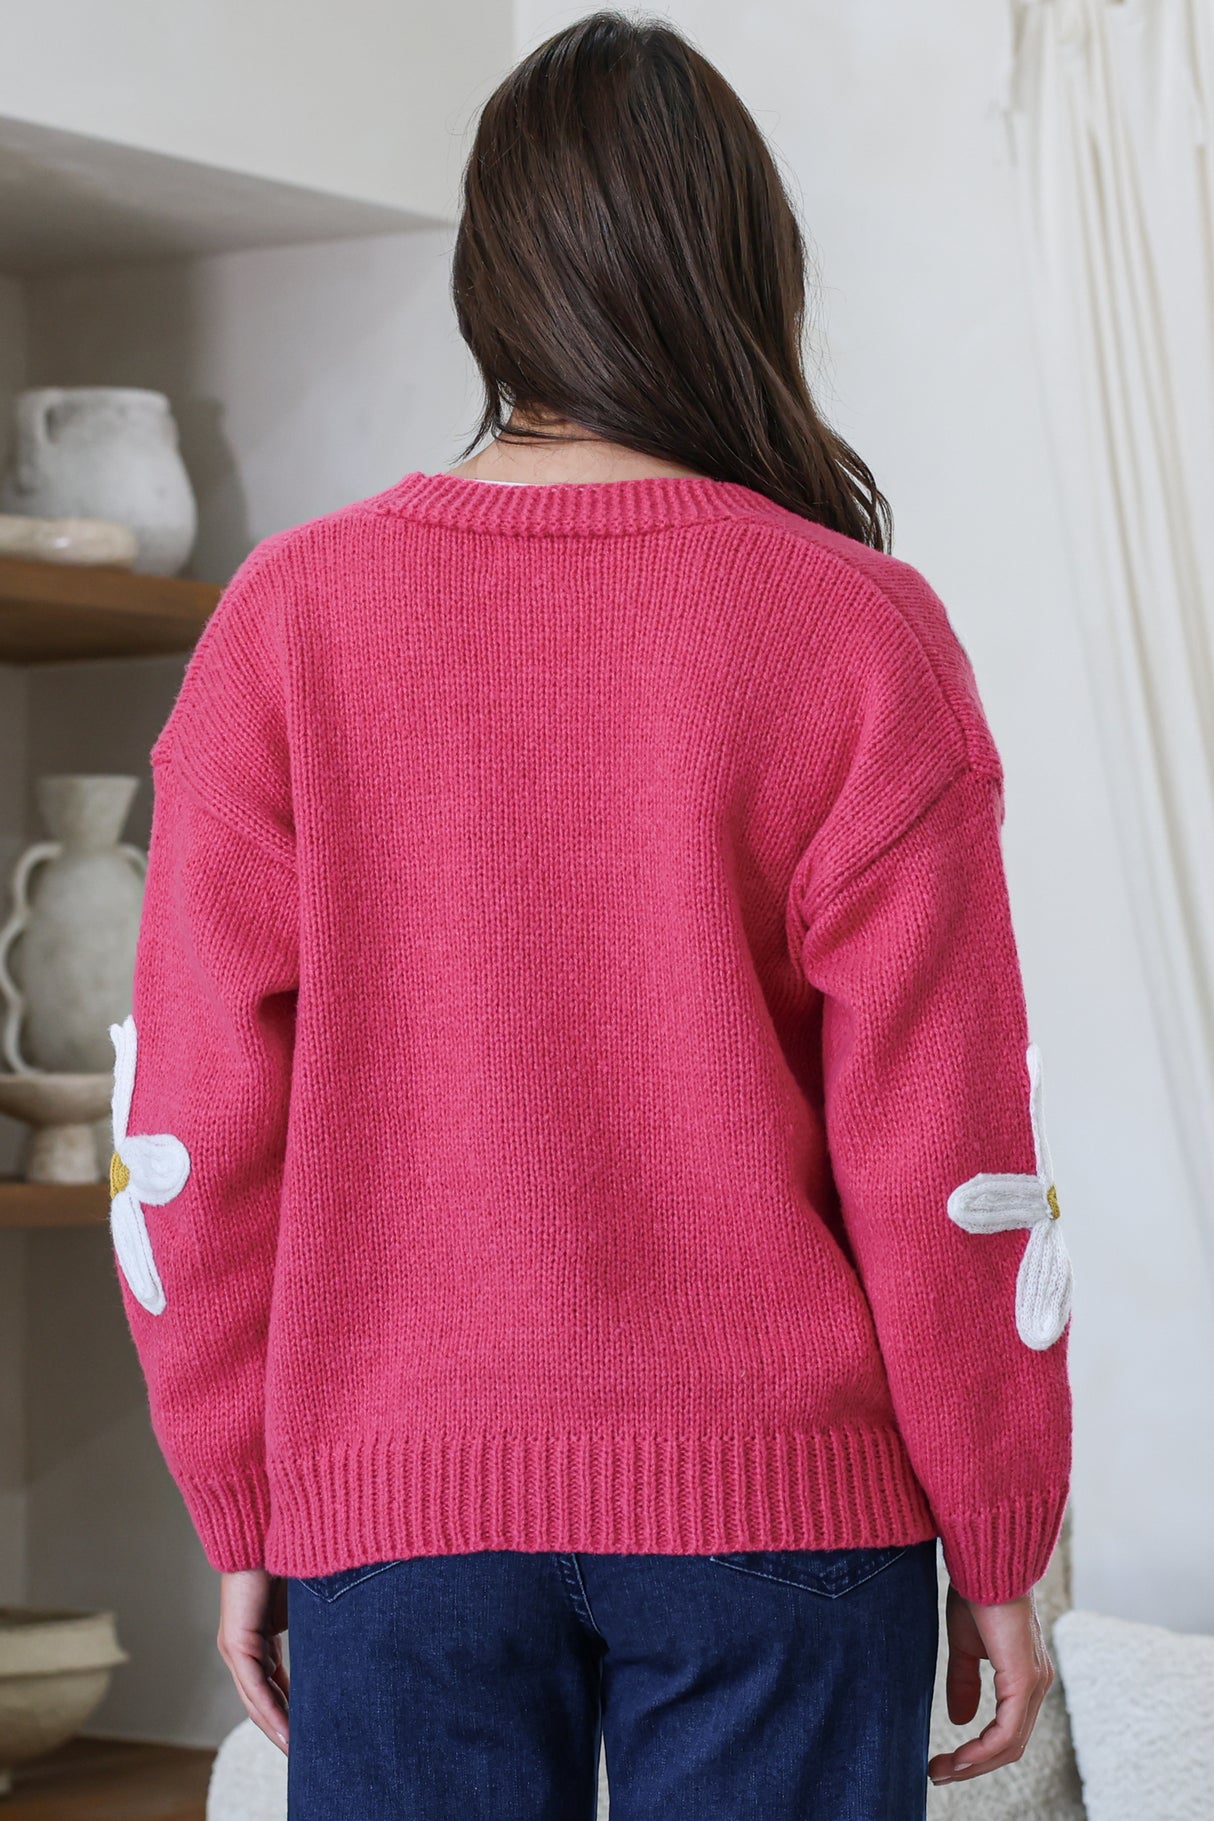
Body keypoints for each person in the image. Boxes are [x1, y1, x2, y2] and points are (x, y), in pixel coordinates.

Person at [107, 11, 1073, 1819]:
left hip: (398, 1518)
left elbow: (188, 1132)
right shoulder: (857, 631)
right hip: (785, 1518)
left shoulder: (288, 622)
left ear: (495, 282)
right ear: (736, 271)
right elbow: (946, 1136)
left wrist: (246, 1496)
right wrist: (1000, 1532)